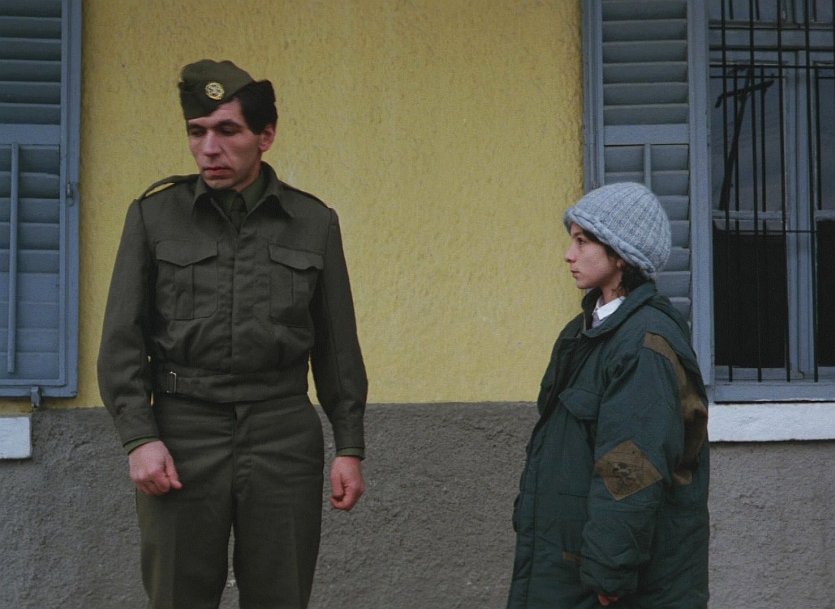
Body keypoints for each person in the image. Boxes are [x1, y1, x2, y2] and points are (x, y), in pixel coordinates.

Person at [97, 59, 368, 609]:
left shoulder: (312, 223)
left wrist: (349, 445)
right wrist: (140, 438)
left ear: (265, 135)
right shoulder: (154, 217)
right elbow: (121, 338)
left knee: (280, 594)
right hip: (182, 430)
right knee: (177, 595)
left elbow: (337, 346)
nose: (208, 149)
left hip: (281, 432)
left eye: (227, 131)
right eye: (196, 131)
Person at [506, 183, 710, 609]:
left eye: (583, 241)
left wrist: (609, 571)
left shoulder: (643, 344)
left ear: (620, 255)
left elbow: (631, 466)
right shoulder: (583, 333)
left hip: (605, 582)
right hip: (566, 564)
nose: (569, 254)